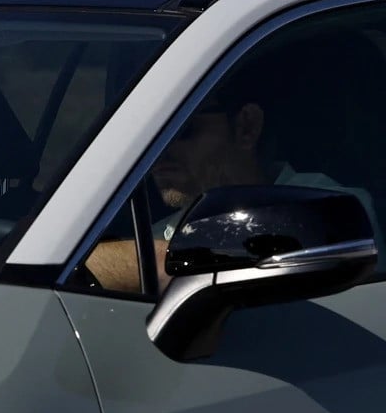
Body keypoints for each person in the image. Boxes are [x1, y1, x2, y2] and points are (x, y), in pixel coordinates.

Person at [85, 86, 382, 291]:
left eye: (181, 130)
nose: (158, 154)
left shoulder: (329, 207)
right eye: (148, 139)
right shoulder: (161, 233)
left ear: (246, 127)